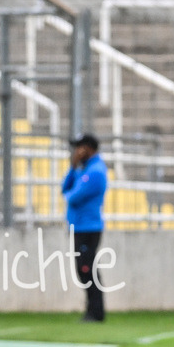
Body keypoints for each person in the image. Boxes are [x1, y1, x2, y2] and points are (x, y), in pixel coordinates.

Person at [61, 133, 108, 322]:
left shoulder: (95, 171)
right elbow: (65, 188)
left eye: (79, 147)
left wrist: (71, 190)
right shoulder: (84, 169)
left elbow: (72, 197)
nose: (76, 151)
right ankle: (93, 310)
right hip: (80, 226)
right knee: (83, 270)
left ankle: (96, 311)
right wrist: (73, 167)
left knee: (87, 269)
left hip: (88, 228)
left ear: (88, 148)